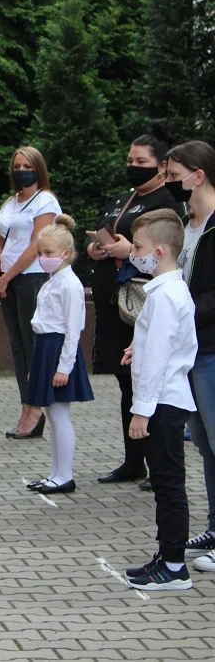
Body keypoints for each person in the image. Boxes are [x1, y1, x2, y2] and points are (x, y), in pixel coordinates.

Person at [90, 127, 183, 490]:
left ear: (161, 166)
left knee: (147, 380)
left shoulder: (167, 202)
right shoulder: (122, 199)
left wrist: (127, 250)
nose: (132, 166)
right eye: (129, 160)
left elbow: (162, 249)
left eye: (140, 162)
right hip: (114, 302)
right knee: (125, 380)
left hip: (142, 303)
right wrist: (97, 249)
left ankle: (156, 459)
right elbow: (105, 230)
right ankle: (134, 461)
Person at [121, 209, 197, 590]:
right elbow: (156, 343)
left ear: (161, 251)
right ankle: (167, 555)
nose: (134, 252)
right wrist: (138, 343)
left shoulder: (167, 295)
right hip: (164, 400)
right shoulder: (165, 291)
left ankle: (174, 565)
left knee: (168, 483)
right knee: (167, 482)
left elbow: (159, 358)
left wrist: (141, 410)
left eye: (138, 247)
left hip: (163, 401)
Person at [162, 141, 215, 570]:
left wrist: (187, 311)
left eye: (175, 173)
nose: (170, 181)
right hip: (193, 348)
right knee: (206, 446)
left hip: (212, 348)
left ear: (198, 175)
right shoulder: (187, 223)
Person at [0, 147, 63, 439]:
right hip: (7, 281)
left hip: (30, 277)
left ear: (38, 169)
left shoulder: (45, 201)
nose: (21, 170)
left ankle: (36, 410)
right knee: (18, 344)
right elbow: (0, 241)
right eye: (17, 165)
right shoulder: (11, 201)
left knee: (32, 345)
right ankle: (25, 406)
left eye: (27, 165)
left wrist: (6, 277)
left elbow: (36, 244)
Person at [23, 216, 93, 495]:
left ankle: (64, 476)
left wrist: (64, 367)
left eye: (48, 253)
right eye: (40, 253)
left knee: (60, 413)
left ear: (65, 254)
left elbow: (73, 331)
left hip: (59, 349)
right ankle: (56, 473)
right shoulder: (53, 281)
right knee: (52, 414)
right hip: (46, 347)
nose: (43, 258)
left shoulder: (69, 285)